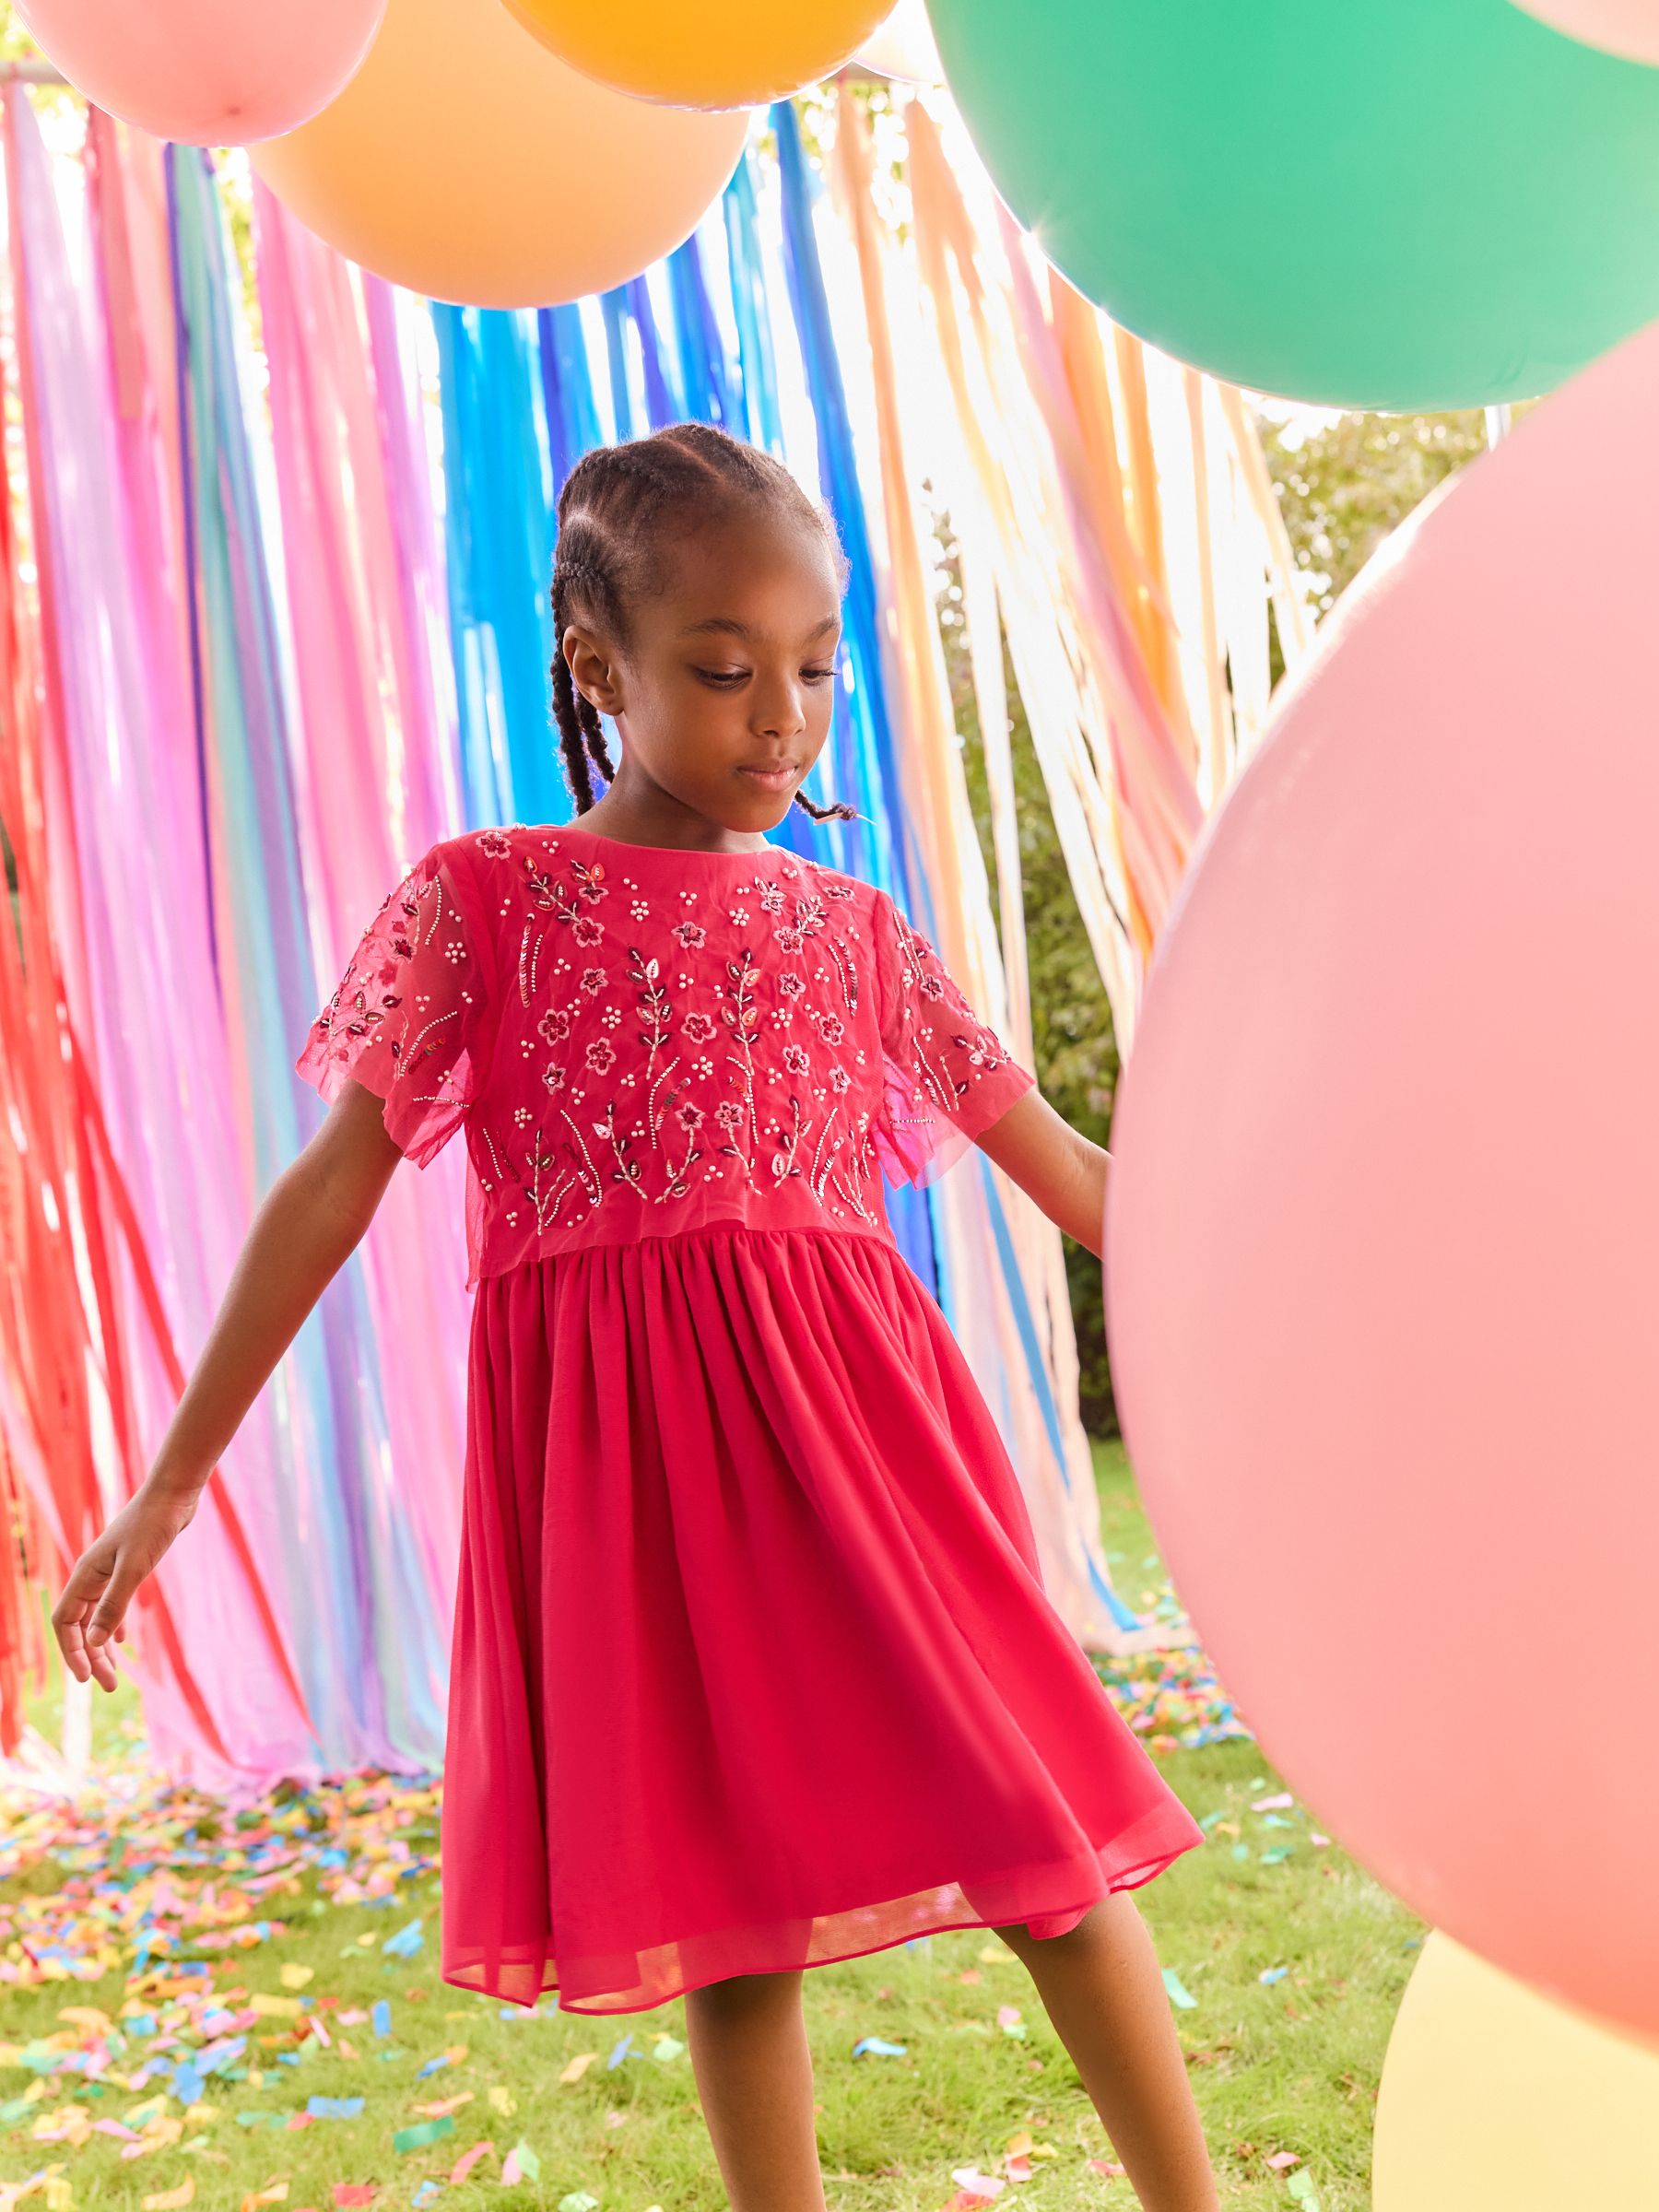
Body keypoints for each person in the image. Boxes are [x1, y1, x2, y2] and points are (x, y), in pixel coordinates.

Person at [52, 423, 1218, 2212]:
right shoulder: (484, 905)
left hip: (865, 1460)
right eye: (725, 670)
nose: (783, 718)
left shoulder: (853, 932)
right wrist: (172, 1482)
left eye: (818, 671)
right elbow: (328, 1191)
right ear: (599, 666)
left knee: (1041, 1852)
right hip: (626, 1491)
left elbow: (1068, 1168)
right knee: (726, 1920)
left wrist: (1294, 1249)